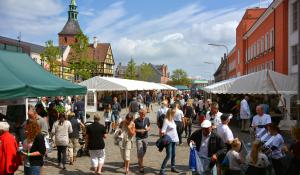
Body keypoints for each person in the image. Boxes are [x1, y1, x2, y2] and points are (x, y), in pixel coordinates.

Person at [160, 108, 179, 175]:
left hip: (174, 140)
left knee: (173, 155)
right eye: (173, 113)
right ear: (170, 114)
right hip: (169, 141)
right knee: (169, 155)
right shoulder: (166, 120)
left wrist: (177, 139)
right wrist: (165, 138)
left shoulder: (172, 120)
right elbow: (162, 131)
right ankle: (162, 170)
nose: (174, 114)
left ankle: (173, 167)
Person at [134, 108, 150, 173]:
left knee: (145, 150)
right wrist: (139, 130)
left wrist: (147, 129)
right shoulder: (136, 120)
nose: (144, 115)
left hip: (145, 137)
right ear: (139, 114)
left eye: (144, 114)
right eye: (142, 114)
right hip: (139, 138)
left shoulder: (147, 119)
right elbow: (133, 129)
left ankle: (140, 159)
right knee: (140, 151)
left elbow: (149, 126)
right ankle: (141, 166)